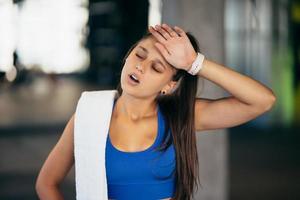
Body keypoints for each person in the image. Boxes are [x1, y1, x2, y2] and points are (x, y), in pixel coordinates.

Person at [35, 24, 276, 200]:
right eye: (139, 54)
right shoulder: (88, 118)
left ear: (169, 85)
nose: (141, 66)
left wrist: (195, 63)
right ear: (128, 55)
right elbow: (46, 183)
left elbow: (262, 101)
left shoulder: (179, 117)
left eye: (156, 67)